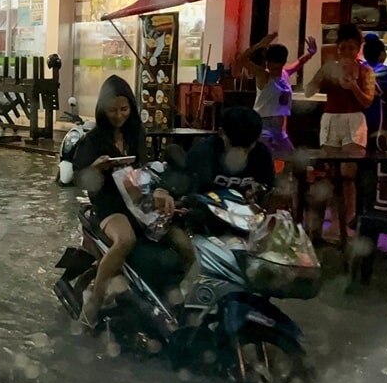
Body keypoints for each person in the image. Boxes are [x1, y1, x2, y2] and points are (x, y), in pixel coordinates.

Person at [72, 75, 191, 328]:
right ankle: (92, 303)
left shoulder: (136, 132)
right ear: (103, 109)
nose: (119, 115)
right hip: (110, 204)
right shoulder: (92, 140)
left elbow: (144, 169)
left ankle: (166, 294)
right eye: (113, 110)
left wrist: (160, 192)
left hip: (139, 200)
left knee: (184, 243)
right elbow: (80, 179)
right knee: (125, 240)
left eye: (124, 109)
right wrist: (96, 167)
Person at [305, 24, 375, 233]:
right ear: (337, 48)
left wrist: (353, 85)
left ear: (358, 49)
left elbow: (367, 102)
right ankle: (331, 220)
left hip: (354, 121)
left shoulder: (365, 71)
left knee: (347, 174)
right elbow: (308, 91)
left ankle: (347, 220)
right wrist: (320, 72)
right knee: (330, 173)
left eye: (351, 48)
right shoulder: (330, 67)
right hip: (331, 119)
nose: (346, 52)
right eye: (343, 48)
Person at [235, 32, 318, 158]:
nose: (276, 72)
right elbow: (240, 60)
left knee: (292, 160)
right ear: (268, 64)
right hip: (263, 128)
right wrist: (259, 45)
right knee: (264, 160)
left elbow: (299, 62)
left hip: (279, 130)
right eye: (273, 68)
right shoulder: (263, 75)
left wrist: (311, 53)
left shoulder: (284, 73)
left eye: (279, 68)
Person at [181, 107, 276, 197]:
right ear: (221, 133)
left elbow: (268, 187)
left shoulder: (262, 155)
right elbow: (187, 191)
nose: (241, 151)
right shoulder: (202, 153)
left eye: (247, 146)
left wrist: (259, 193)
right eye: (234, 144)